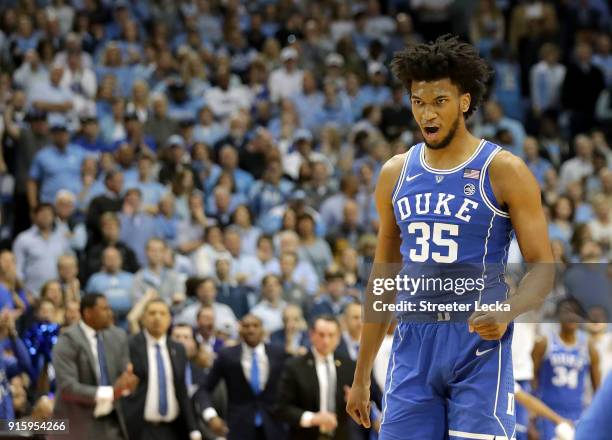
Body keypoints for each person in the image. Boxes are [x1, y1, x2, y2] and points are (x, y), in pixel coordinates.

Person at [346, 35, 554, 440]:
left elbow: (543, 270)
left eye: (439, 100)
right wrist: (360, 375)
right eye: (417, 101)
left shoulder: (504, 169)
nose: (427, 112)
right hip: (412, 343)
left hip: (475, 341)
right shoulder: (395, 172)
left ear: (464, 101)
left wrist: (509, 310)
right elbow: (383, 277)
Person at [51, 293, 138, 440]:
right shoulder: (68, 340)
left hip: (110, 421)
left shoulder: (118, 336)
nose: (110, 313)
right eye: (104, 309)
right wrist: (110, 392)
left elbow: (123, 376)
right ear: (88, 313)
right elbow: (68, 388)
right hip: (76, 422)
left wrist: (128, 384)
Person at [123, 299, 201, 440]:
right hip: (140, 429)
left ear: (169, 319)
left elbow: (181, 390)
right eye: (152, 313)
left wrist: (193, 429)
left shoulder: (178, 349)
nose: (157, 317)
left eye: (162, 313)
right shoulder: (130, 345)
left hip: (172, 429)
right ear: (143, 318)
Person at [203, 314, 288, 440]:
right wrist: (211, 415)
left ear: (263, 330)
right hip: (239, 427)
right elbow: (204, 389)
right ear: (239, 329)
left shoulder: (279, 353)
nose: (251, 330)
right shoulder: (227, 355)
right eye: (246, 326)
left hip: (274, 425)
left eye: (255, 326)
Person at [276, 314, 357, 440]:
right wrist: (313, 418)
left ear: (339, 337)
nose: (326, 341)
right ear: (311, 335)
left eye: (331, 335)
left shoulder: (349, 366)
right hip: (304, 435)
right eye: (321, 335)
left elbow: (363, 405)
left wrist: (354, 402)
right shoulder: (294, 366)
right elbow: (281, 408)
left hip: (340, 435)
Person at [532, 298, 601, 440]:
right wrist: (532, 416)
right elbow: (532, 378)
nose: (571, 316)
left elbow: (598, 389)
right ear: (558, 315)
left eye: (575, 312)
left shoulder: (589, 346)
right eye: (566, 312)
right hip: (547, 414)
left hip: (577, 415)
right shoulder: (545, 342)